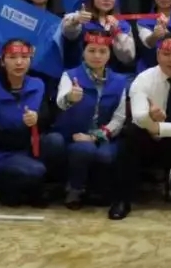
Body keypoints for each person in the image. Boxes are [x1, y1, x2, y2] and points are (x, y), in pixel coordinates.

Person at [110, 32, 171, 220]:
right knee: (130, 135)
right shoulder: (143, 79)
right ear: (158, 55)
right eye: (167, 53)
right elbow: (139, 117)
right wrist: (150, 118)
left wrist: (159, 128)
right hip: (147, 140)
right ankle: (122, 199)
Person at [52, 31, 129, 209]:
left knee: (106, 155)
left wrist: (95, 136)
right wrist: (71, 98)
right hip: (73, 135)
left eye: (102, 51)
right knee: (83, 148)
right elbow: (61, 102)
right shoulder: (70, 76)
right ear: (83, 52)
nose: (97, 56)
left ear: (109, 54)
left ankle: (97, 190)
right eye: (92, 50)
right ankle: (74, 189)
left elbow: (119, 118)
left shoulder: (119, 81)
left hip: (103, 135)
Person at [0, 39, 51, 207]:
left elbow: (47, 117)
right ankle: (5, 185)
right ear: (3, 61)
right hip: (1, 153)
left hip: (30, 148)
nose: (19, 62)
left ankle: (33, 188)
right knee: (35, 170)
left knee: (55, 143)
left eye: (24, 57)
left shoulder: (38, 85)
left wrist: (38, 118)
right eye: (12, 57)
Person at [62, 0, 136, 74]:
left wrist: (117, 32)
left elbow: (128, 57)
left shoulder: (122, 24)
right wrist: (76, 20)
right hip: (79, 74)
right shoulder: (81, 17)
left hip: (110, 75)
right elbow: (68, 33)